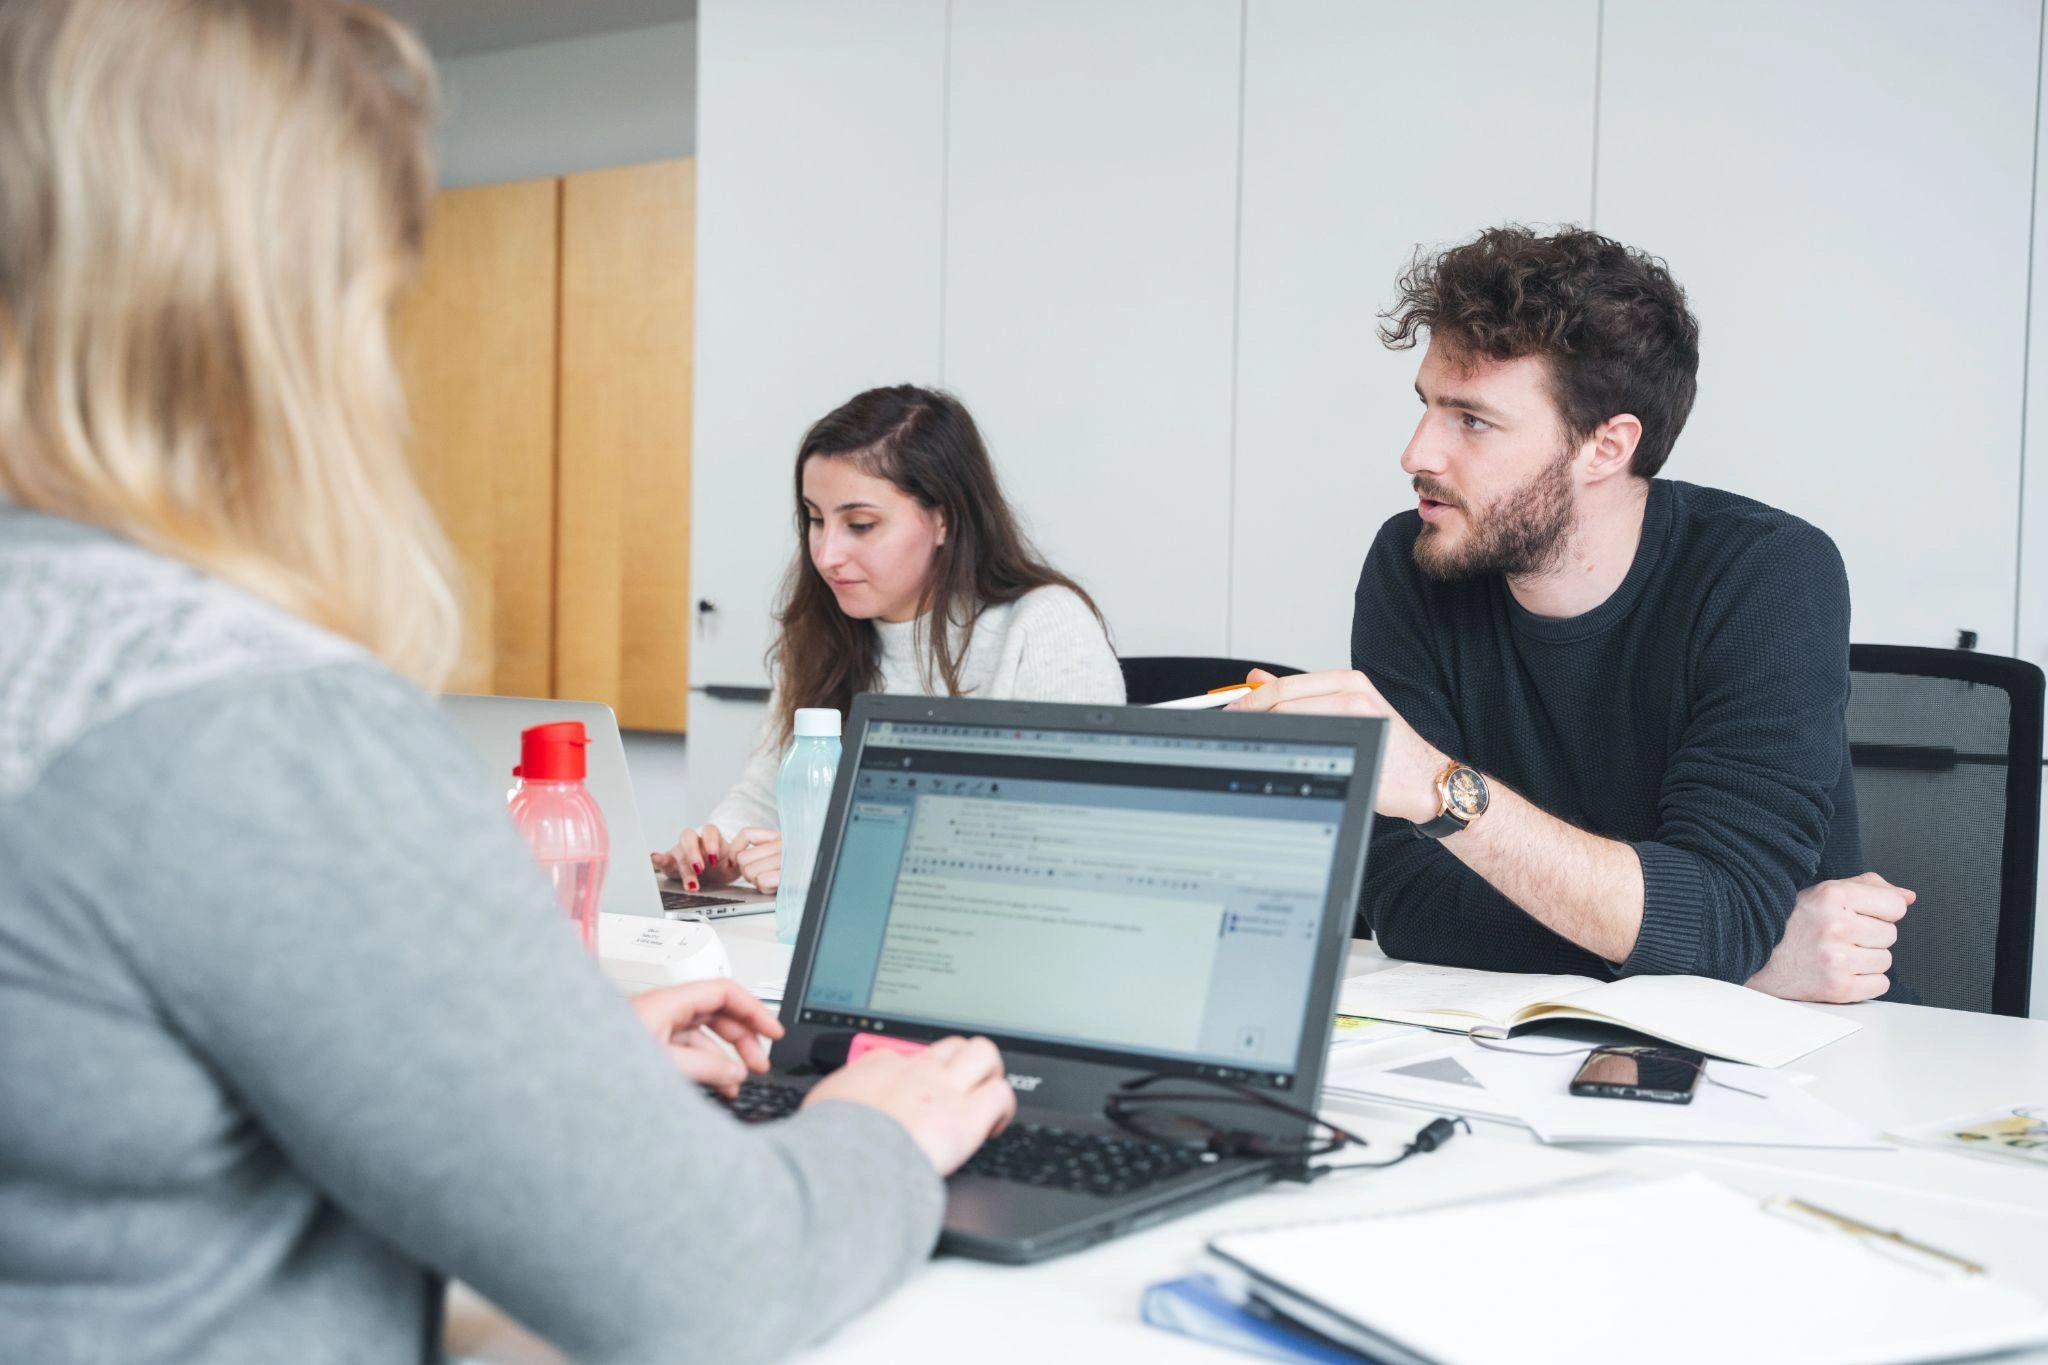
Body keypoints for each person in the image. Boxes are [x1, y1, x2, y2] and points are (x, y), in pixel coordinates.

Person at [0, 3, 1014, 1362]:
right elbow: (714, 1279)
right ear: (300, 318)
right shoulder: (252, 723)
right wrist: (877, 1135)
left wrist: (534, 1062)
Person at [1230, 225, 1912, 1004]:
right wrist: (1736, 953)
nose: (1417, 452)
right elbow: (1410, 908)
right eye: (1426, 407)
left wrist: (1439, 788)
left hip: (1778, 1067)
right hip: (1529, 1044)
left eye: (1472, 420)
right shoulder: (1412, 561)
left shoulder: (1766, 574)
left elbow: (1720, 913)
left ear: (1606, 446)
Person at [657, 384, 1124, 893]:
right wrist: (719, 848)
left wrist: (833, 861)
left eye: (860, 524)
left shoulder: (1043, 626)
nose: (827, 554)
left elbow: (1062, 837)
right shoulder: (822, 628)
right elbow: (768, 792)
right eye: (815, 520)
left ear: (943, 520)